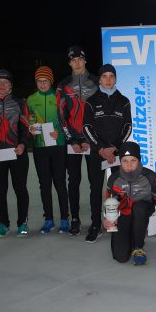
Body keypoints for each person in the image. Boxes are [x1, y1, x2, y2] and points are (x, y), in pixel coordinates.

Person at [83, 63, 132, 243]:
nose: (108, 79)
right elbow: (86, 128)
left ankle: (119, 222)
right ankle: (96, 225)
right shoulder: (91, 101)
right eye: (105, 76)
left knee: (119, 189)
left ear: (116, 79)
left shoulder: (124, 100)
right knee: (95, 189)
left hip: (117, 153)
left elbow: (128, 127)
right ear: (100, 79)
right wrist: (101, 149)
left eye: (111, 76)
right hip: (97, 153)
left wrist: (115, 147)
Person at [0, 69, 30, 237]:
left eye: (6, 83)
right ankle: (3, 223)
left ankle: (22, 222)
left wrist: (23, 144)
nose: (2, 85)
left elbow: (25, 127)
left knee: (20, 189)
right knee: (0, 190)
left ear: (11, 85)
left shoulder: (19, 103)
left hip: (18, 153)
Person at [57, 45, 98, 236]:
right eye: (73, 60)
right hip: (73, 141)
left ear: (85, 60)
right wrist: (71, 139)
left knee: (95, 182)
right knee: (73, 181)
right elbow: (61, 115)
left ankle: (96, 220)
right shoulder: (63, 85)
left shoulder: (96, 82)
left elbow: (100, 113)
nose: (77, 63)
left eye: (80, 59)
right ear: (69, 63)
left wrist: (92, 139)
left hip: (92, 141)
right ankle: (75, 219)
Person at [105, 141, 156, 266]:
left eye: (133, 160)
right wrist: (107, 219)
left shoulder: (149, 176)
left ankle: (138, 247)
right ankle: (129, 236)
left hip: (143, 212)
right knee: (121, 257)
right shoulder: (114, 179)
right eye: (125, 161)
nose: (129, 165)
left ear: (139, 160)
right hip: (124, 214)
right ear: (120, 162)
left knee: (139, 207)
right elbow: (109, 202)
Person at [27, 66, 70, 234]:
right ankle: (49, 219)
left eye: (45, 81)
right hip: (40, 147)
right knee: (44, 184)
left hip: (58, 145)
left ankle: (65, 219)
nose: (42, 84)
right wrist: (31, 129)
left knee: (60, 183)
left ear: (51, 82)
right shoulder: (30, 99)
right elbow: (29, 120)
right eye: (39, 81)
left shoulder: (59, 97)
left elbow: (66, 118)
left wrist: (59, 131)